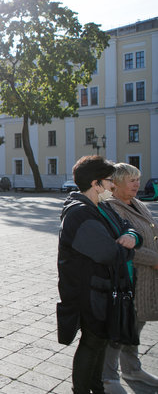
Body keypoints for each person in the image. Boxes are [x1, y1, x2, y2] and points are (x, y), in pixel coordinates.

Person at [57, 155, 142, 394]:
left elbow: (128, 228)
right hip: (89, 293)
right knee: (92, 343)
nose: (113, 186)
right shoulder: (79, 213)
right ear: (96, 184)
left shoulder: (101, 206)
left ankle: (97, 388)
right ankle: (83, 389)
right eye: (110, 181)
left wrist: (132, 238)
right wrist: (127, 247)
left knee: (100, 342)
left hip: (103, 291)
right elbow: (109, 253)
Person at [102, 163, 158, 394]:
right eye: (131, 180)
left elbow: (151, 232)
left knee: (136, 324)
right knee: (120, 327)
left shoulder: (138, 204)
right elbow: (120, 246)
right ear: (115, 184)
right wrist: (155, 260)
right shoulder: (110, 209)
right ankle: (107, 376)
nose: (137, 184)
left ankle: (132, 368)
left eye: (138, 179)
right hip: (128, 278)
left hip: (147, 279)